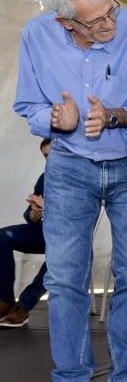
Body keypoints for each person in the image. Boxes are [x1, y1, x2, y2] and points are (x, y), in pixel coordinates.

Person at [14, 0, 127, 382]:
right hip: (69, 165)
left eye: (110, 12)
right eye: (96, 22)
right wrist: (54, 120)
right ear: (65, 22)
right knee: (64, 277)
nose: (109, 25)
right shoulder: (36, 35)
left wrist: (115, 115)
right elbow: (27, 103)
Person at [0, 139, 52, 328]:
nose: (49, 159)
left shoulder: (80, 178)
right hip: (44, 233)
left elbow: (81, 217)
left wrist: (49, 208)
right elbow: (29, 216)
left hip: (70, 238)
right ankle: (5, 300)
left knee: (59, 253)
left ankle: (23, 306)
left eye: (53, 153)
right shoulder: (45, 178)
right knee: (2, 237)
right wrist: (34, 214)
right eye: (46, 156)